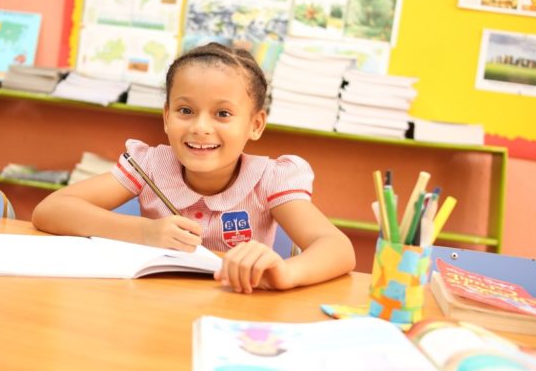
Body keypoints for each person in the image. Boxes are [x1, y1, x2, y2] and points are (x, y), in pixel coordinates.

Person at [32, 43, 356, 294]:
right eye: (185, 110)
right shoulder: (149, 165)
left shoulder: (271, 179)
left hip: (236, 312)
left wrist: (286, 272)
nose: (200, 127)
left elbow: (338, 248)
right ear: (166, 117)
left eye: (223, 114)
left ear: (255, 125)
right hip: (153, 309)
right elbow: (51, 210)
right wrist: (144, 232)